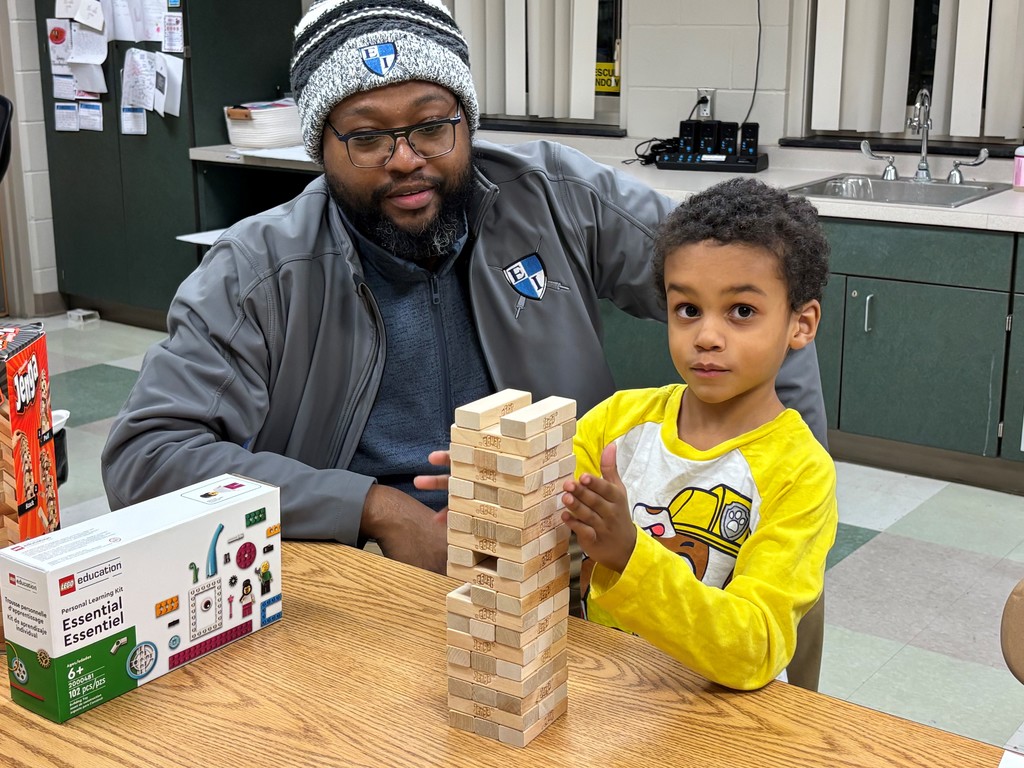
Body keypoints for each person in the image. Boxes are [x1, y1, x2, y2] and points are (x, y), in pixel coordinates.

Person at [101, 0, 828, 578]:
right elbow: (147, 455)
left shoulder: (555, 197)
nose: (406, 161)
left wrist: (781, 492)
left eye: (431, 127)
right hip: (362, 572)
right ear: (320, 147)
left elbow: (758, 295)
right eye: (366, 138)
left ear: (468, 123)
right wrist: (372, 509)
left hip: (570, 557)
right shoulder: (257, 270)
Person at [560, 177, 838, 690]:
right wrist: (494, 485)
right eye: (688, 310)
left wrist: (629, 555)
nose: (707, 337)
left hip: (720, 715)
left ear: (800, 324)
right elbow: (548, 518)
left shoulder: (800, 471)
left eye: (742, 312)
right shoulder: (618, 421)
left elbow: (754, 649)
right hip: (611, 687)